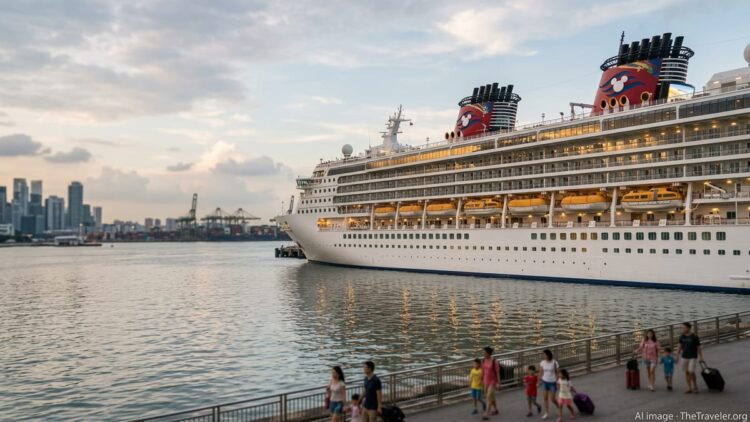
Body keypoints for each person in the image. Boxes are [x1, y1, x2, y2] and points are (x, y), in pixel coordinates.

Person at [677, 322, 704, 394]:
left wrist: (701, 357)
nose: (682, 329)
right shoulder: (681, 336)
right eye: (682, 328)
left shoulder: (694, 336)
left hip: (693, 356)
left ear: (688, 328)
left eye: (684, 327)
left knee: (691, 371)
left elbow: (698, 347)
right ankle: (689, 388)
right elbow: (679, 346)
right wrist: (677, 355)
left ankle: (695, 385)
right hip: (684, 356)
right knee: (686, 372)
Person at [481, 346, 501, 420]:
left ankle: (486, 413)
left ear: (489, 354)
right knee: (491, 397)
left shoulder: (494, 361)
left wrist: (499, 382)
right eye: (483, 353)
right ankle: (496, 410)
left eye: (485, 353)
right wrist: (481, 380)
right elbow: (483, 371)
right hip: (486, 381)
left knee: (489, 396)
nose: (484, 354)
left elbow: (497, 372)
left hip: (493, 381)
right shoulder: (483, 360)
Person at [539, 349, 559, 420]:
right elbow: (541, 372)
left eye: (544, 354)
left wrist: (557, 382)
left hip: (552, 382)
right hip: (545, 382)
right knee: (545, 398)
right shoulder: (542, 363)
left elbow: (557, 373)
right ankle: (546, 413)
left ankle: (558, 406)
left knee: (552, 399)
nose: (543, 355)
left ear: (548, 354)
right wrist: (539, 381)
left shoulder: (554, 362)